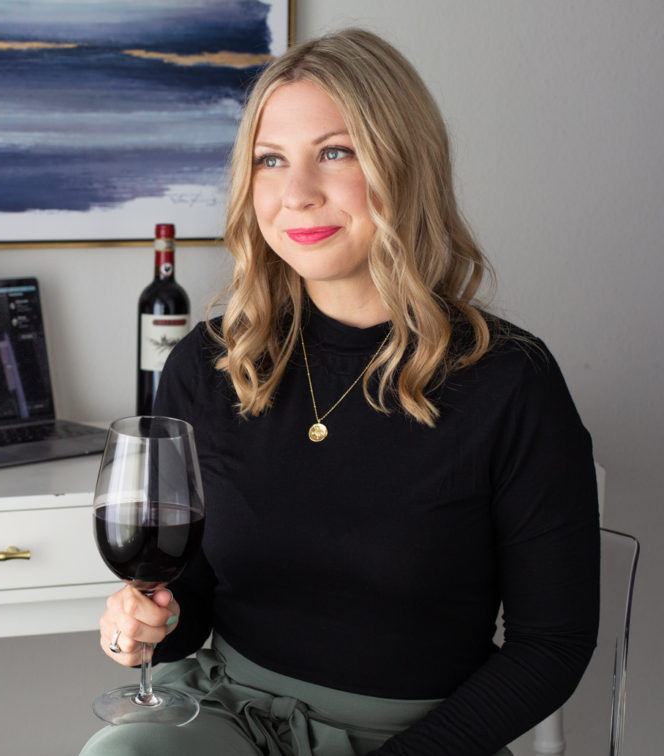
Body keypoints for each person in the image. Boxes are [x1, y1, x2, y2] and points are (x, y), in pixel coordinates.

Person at [81, 28, 599, 756]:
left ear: (403, 164)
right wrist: (148, 626)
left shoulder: (510, 380)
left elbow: (553, 645)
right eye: (270, 160)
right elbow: (189, 598)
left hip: (421, 737)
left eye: (335, 152)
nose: (296, 194)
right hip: (229, 711)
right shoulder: (208, 363)